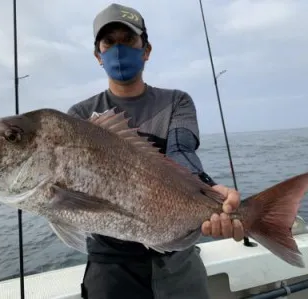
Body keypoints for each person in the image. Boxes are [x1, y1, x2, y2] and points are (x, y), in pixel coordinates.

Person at [67, 3, 245, 299]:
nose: (118, 49)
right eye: (109, 42)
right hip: (110, 264)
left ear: (146, 50)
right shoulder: (81, 115)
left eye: (129, 40)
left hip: (177, 260)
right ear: (98, 56)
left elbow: (181, 151)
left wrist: (211, 193)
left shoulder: (176, 101)